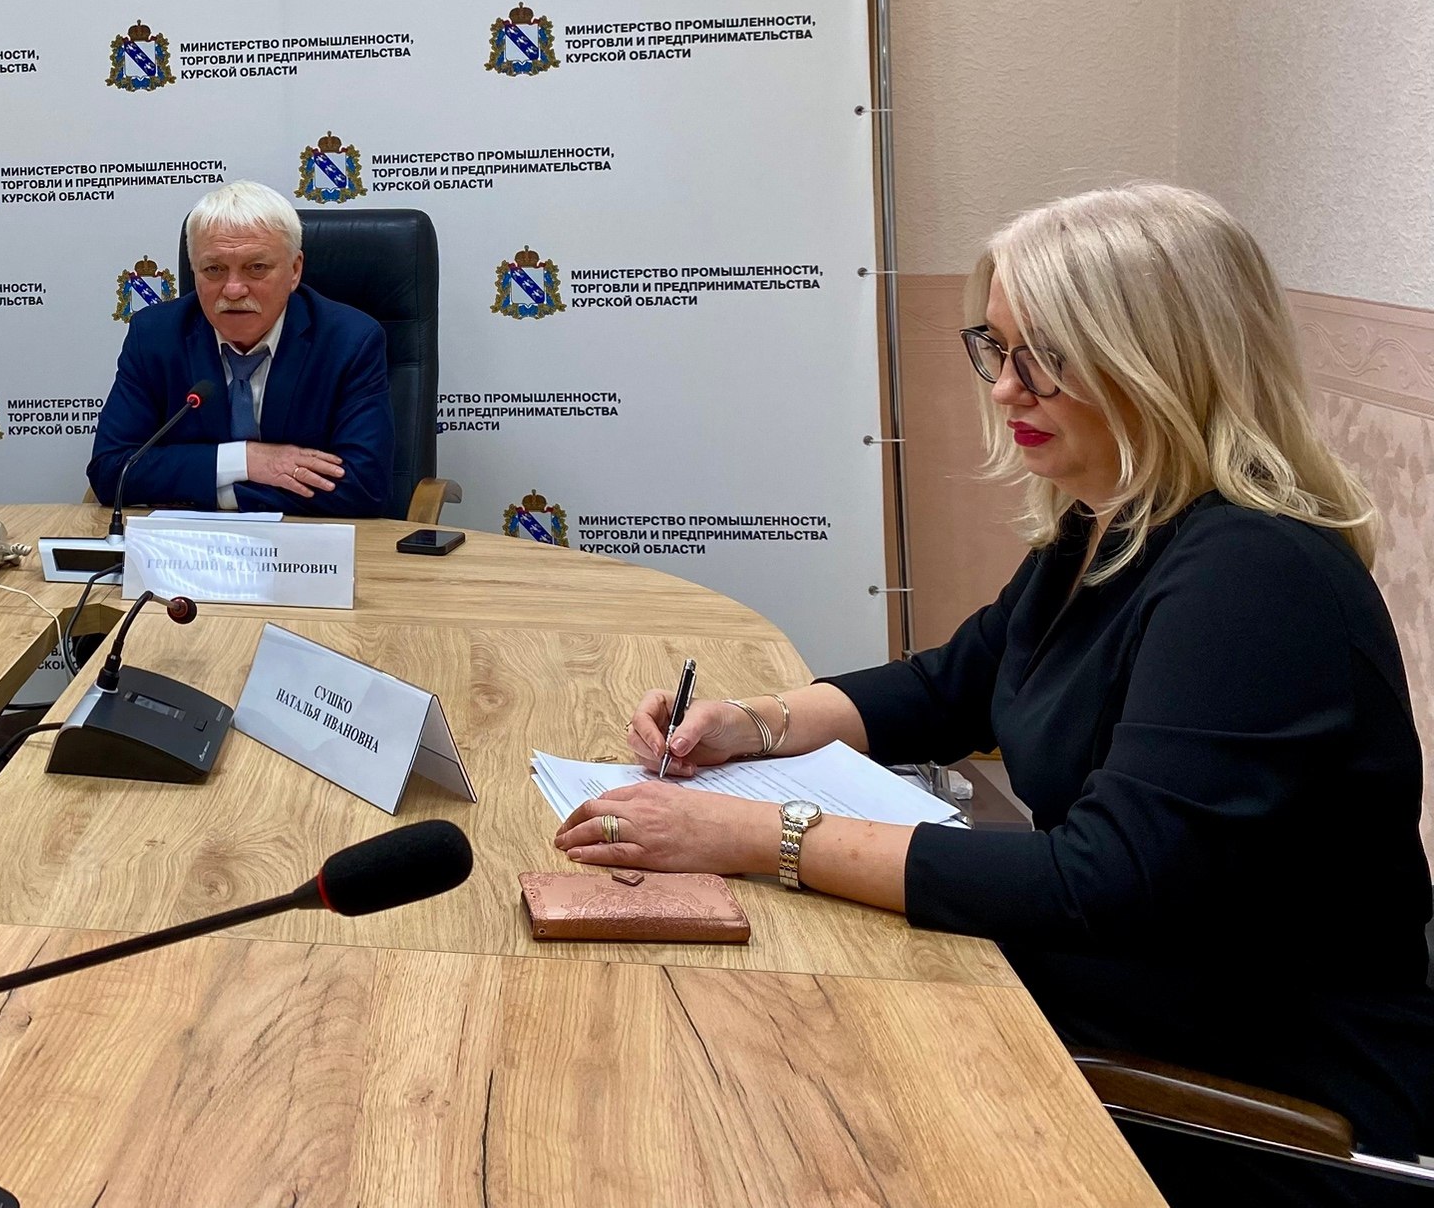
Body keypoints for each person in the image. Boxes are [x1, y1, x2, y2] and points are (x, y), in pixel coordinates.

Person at [553, 184, 1434, 1206]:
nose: (1007, 390)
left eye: (1043, 357)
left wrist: (756, 835)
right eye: (997, 350)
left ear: (1160, 359)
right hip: (1119, 1007)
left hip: (1252, 1104)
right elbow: (953, 685)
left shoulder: (1254, 576)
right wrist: (750, 726)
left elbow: (1099, 877)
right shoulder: (1107, 525)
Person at [88, 181, 391, 517]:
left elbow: (363, 486)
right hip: (187, 544)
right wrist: (247, 460)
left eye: (256, 268)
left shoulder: (348, 341)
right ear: (194, 270)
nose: (233, 290)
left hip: (302, 543)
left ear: (294, 270)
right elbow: (112, 471)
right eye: (214, 269)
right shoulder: (155, 336)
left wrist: (202, 487)